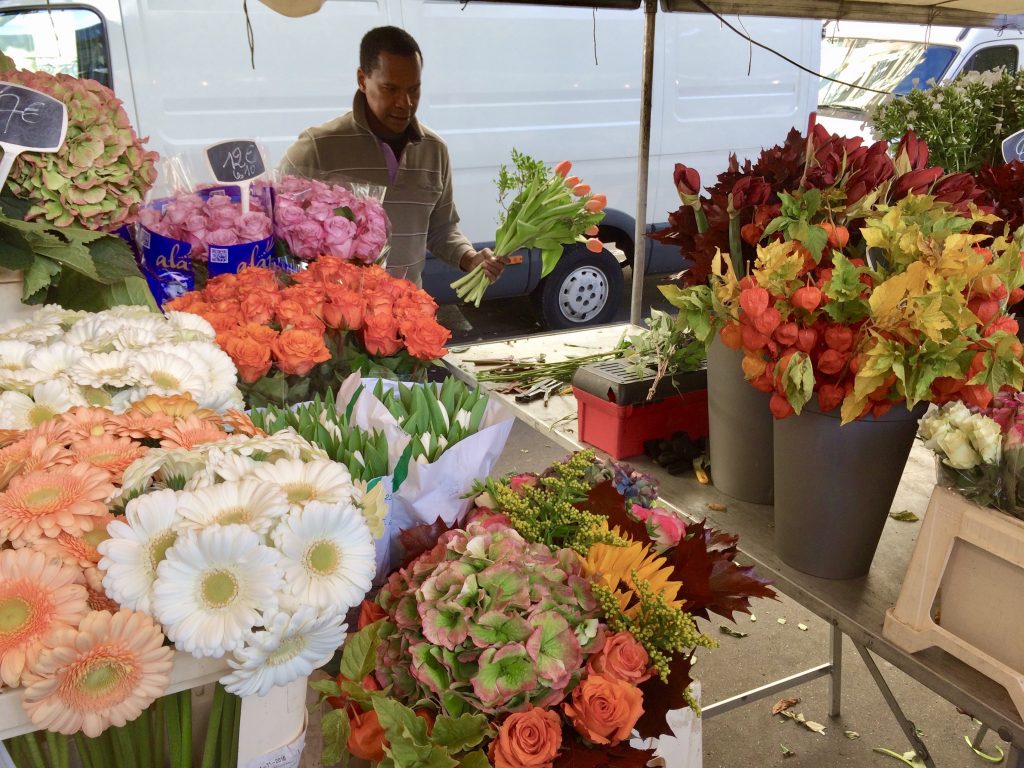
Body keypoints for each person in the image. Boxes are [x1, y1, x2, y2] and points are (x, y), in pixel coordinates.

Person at [280, 25, 504, 288]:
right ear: (363, 80)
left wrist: (470, 257)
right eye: (391, 89)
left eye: (414, 90)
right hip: (337, 320)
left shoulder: (434, 150)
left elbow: (442, 228)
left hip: (410, 313)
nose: (405, 103)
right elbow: (280, 234)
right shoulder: (317, 147)